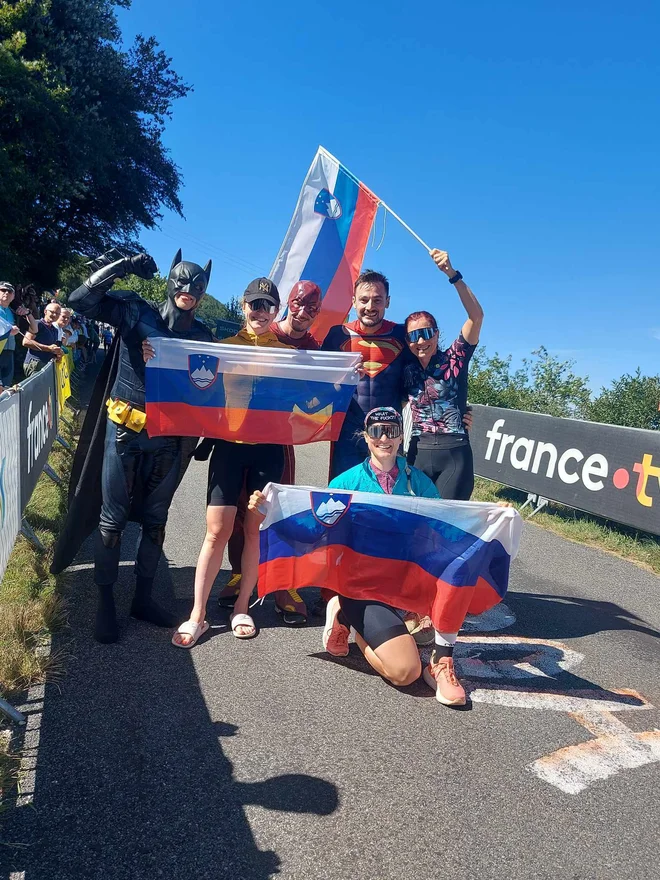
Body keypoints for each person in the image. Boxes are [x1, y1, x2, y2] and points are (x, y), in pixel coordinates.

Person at [249, 406, 469, 707]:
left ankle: (439, 657)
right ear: (366, 438)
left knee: (455, 566)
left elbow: (444, 530)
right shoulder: (346, 483)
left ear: (401, 436)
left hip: (402, 587)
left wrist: (492, 521)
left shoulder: (419, 483)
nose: (385, 438)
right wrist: (270, 510)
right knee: (405, 672)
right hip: (362, 588)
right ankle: (344, 612)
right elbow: (314, 529)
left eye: (392, 431)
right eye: (377, 431)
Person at [56, 248, 214, 643]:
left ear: (205, 288)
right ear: (169, 280)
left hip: (170, 439)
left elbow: (212, 389)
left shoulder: (203, 336)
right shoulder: (135, 312)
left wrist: (208, 433)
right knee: (112, 522)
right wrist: (124, 265)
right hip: (126, 428)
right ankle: (105, 603)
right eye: (181, 279)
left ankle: (142, 599)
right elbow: (78, 301)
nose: (187, 288)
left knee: (155, 521)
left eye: (196, 283)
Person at [171, 278, 294, 648]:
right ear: (244, 307)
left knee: (255, 530)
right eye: (255, 304)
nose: (260, 312)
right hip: (228, 447)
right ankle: (197, 615)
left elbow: (310, 398)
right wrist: (154, 354)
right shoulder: (223, 348)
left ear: (276, 312)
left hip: (268, 451)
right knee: (217, 530)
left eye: (268, 306)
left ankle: (243, 607)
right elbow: (189, 379)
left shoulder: (288, 355)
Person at [222, 280, 324, 625]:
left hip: (277, 438)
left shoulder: (311, 346)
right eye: (298, 303)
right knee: (239, 506)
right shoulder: (263, 329)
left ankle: (281, 583)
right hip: (236, 436)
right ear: (287, 305)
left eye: (312, 307)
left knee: (276, 507)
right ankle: (239, 573)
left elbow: (317, 391)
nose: (303, 312)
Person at [404, 249, 483, 501]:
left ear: (437, 334)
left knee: (444, 530)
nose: (421, 341)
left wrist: (452, 274)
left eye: (426, 333)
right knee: (416, 527)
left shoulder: (454, 359)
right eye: (414, 336)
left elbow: (476, 316)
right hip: (417, 453)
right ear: (407, 342)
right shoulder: (406, 371)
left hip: (455, 455)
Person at [322, 271, 409, 479]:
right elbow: (318, 381)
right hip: (347, 433)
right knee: (344, 497)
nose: (370, 307)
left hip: (389, 433)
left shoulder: (402, 335)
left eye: (377, 300)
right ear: (353, 302)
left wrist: (456, 408)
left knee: (387, 498)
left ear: (387, 302)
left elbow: (435, 369)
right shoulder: (337, 335)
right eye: (364, 300)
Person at [0, 281, 37, 391]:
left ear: (13, 296)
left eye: (10, 291)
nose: (6, 293)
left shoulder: (14, 312)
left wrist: (27, 313)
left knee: (6, 388)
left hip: (9, 353)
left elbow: (34, 329)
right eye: (2, 290)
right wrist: (8, 332)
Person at [22, 301, 63, 376]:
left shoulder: (55, 330)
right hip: (35, 363)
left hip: (47, 364)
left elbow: (52, 348)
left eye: (57, 314)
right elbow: (26, 342)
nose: (54, 315)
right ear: (45, 311)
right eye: (52, 312)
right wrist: (48, 348)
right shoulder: (37, 324)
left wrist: (58, 353)